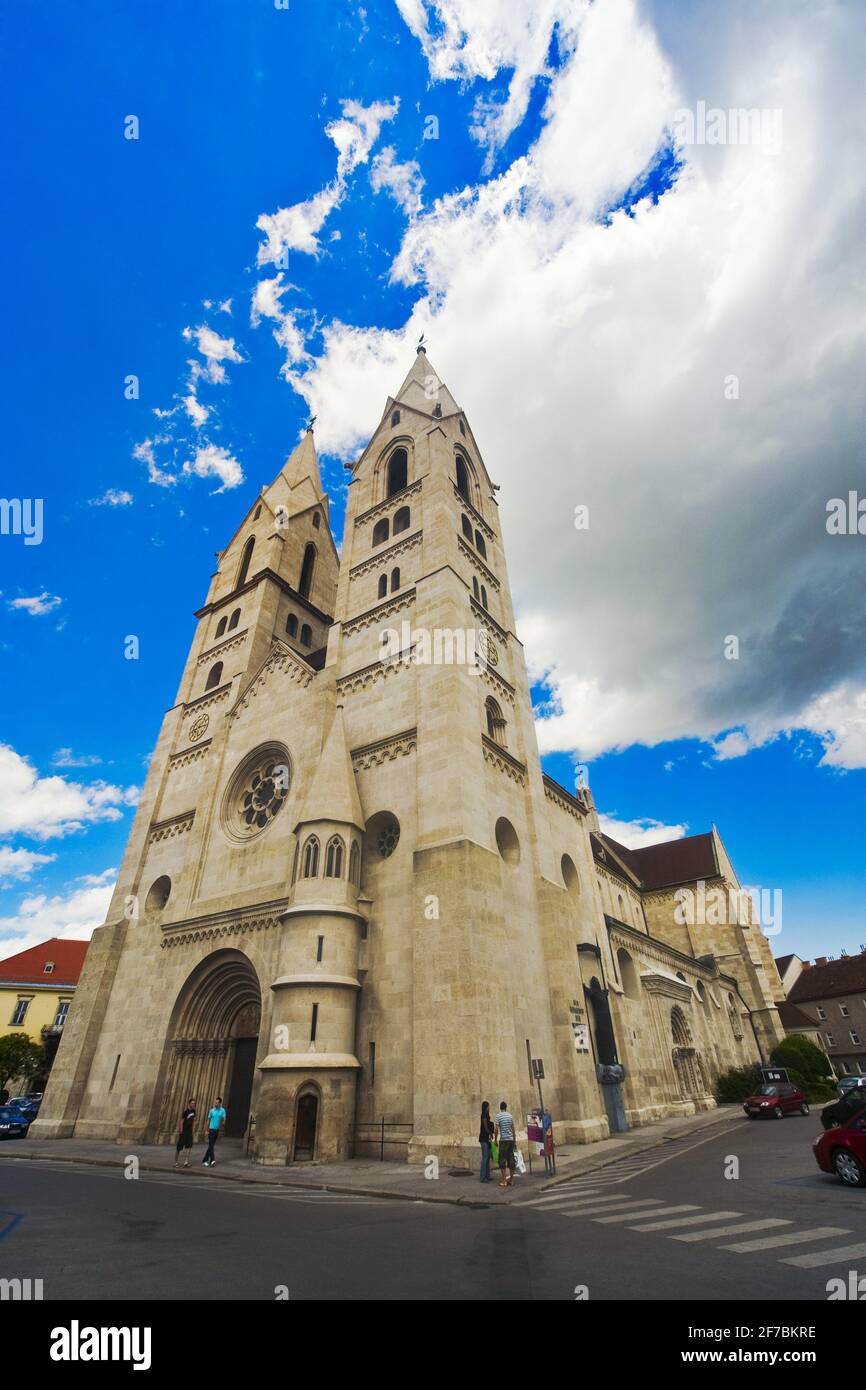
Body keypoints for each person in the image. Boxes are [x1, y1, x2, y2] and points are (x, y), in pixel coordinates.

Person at [495, 1100, 516, 1188]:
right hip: (511, 1140)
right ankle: (511, 1180)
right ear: (506, 1107)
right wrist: (514, 1140)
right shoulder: (510, 1116)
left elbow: (496, 1130)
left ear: (500, 1108)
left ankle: (504, 1180)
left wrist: (495, 1139)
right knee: (511, 1159)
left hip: (503, 1140)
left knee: (502, 1160)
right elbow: (513, 1129)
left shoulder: (498, 1116)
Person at [202, 1095, 226, 1167]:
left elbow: (224, 1119)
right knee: (211, 1145)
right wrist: (206, 1130)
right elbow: (208, 1120)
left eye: (217, 1103)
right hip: (211, 1130)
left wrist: (223, 1122)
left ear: (220, 1103)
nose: (215, 1104)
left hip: (217, 1130)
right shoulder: (211, 1110)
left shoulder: (222, 1110)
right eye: (215, 1102)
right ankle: (212, 1160)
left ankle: (205, 1160)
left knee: (211, 1146)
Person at [173, 1097, 196, 1169]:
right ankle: (175, 1162)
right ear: (189, 1104)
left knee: (189, 1146)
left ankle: (186, 1162)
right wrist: (181, 1130)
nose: (193, 1104)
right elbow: (181, 1121)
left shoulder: (194, 1112)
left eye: (194, 1103)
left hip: (189, 1131)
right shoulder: (185, 1112)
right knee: (179, 1147)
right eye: (192, 1103)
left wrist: (193, 1131)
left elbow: (193, 1121)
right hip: (184, 1131)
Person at [479, 1101, 495, 1183]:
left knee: (488, 1157)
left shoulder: (487, 1115)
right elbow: (485, 1126)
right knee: (485, 1158)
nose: (489, 1108)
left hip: (487, 1139)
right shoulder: (484, 1115)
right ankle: (482, 1177)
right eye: (488, 1106)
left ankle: (487, 1176)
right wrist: (490, 1133)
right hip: (483, 1139)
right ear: (486, 1107)